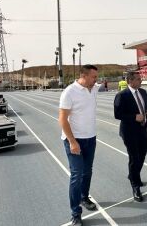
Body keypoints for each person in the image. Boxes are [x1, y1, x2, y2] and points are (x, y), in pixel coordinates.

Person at [59, 64, 99, 226]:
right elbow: (62, 119)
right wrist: (73, 141)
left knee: (87, 172)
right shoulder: (69, 92)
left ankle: (84, 197)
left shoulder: (93, 89)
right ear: (83, 75)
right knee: (76, 175)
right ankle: (75, 213)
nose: (96, 80)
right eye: (93, 77)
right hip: (74, 140)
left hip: (91, 138)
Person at [114, 71, 147, 202]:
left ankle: (133, 175)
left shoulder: (143, 92)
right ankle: (135, 186)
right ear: (130, 81)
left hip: (142, 130)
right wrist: (134, 117)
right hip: (129, 132)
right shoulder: (122, 95)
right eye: (138, 79)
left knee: (142, 155)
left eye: (140, 78)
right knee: (134, 158)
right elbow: (117, 114)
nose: (141, 81)